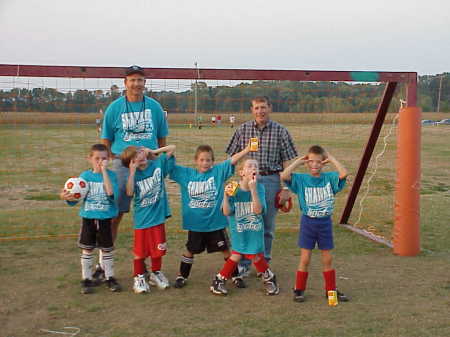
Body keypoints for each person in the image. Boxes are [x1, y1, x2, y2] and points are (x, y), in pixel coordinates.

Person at [100, 65, 169, 279]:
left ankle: (150, 264)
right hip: (124, 164)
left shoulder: (155, 107)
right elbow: (106, 138)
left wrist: (156, 158)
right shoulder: (115, 108)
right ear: (125, 83)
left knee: (151, 214)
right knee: (116, 214)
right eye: (132, 80)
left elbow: (162, 138)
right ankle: (104, 264)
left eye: (140, 80)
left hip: (149, 165)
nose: (136, 84)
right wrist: (114, 158)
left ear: (144, 83)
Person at [225, 96, 298, 276]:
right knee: (245, 222)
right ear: (252, 110)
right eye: (257, 108)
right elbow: (231, 159)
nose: (260, 111)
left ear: (270, 108)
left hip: (271, 180)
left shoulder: (281, 131)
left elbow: (288, 160)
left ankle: (263, 264)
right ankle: (243, 263)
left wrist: (286, 188)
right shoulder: (243, 130)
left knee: (266, 225)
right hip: (246, 183)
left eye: (263, 107)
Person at [169, 143, 251, 289]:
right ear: (196, 160)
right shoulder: (187, 174)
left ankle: (235, 276)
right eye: (201, 160)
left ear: (213, 161)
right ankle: (182, 275)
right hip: (196, 223)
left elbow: (232, 160)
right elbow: (170, 166)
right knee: (190, 249)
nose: (205, 163)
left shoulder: (217, 172)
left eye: (208, 160)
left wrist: (247, 150)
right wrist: (164, 153)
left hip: (215, 222)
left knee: (226, 250)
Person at [280, 145, 349, 303]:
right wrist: (298, 161)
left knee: (327, 259)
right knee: (305, 259)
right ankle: (299, 290)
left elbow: (344, 173)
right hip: (308, 223)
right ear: (307, 163)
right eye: (311, 162)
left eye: (318, 162)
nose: (314, 165)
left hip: (324, 223)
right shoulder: (301, 179)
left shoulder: (329, 178)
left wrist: (330, 158)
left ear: (323, 163)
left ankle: (331, 291)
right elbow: (284, 175)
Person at [210, 158, 280, 296]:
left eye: (256, 166)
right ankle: (219, 280)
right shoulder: (234, 188)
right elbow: (226, 212)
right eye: (249, 166)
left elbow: (258, 210)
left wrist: (253, 190)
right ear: (241, 172)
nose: (253, 168)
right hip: (239, 231)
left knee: (255, 256)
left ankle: (269, 278)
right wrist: (224, 196)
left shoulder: (259, 187)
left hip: (254, 230)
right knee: (237, 255)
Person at [60, 143, 121, 294]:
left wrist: (105, 171)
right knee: (87, 249)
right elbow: (75, 198)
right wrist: (66, 197)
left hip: (105, 219)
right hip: (88, 219)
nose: (101, 162)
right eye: (97, 158)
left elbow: (110, 192)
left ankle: (109, 277)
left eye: (104, 158)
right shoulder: (85, 177)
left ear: (109, 159)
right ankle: (86, 279)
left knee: (107, 250)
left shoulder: (112, 176)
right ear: (90, 159)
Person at [121, 144, 175, 293]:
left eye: (140, 152)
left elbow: (172, 148)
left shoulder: (157, 164)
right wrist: (132, 172)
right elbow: (129, 192)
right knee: (140, 251)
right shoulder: (134, 175)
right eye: (136, 155)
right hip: (143, 219)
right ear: (131, 162)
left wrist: (153, 152)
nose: (140, 155)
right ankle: (138, 277)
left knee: (158, 249)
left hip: (158, 216)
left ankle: (155, 273)